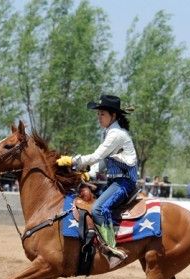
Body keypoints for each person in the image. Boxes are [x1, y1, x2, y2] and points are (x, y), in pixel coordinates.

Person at [56, 94, 137, 260]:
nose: (98, 117)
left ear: (113, 115)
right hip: (114, 182)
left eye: (102, 114)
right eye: (98, 114)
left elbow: (95, 157)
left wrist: (71, 160)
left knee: (98, 209)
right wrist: (88, 173)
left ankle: (111, 247)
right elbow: (103, 162)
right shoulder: (110, 133)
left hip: (124, 183)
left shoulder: (116, 134)